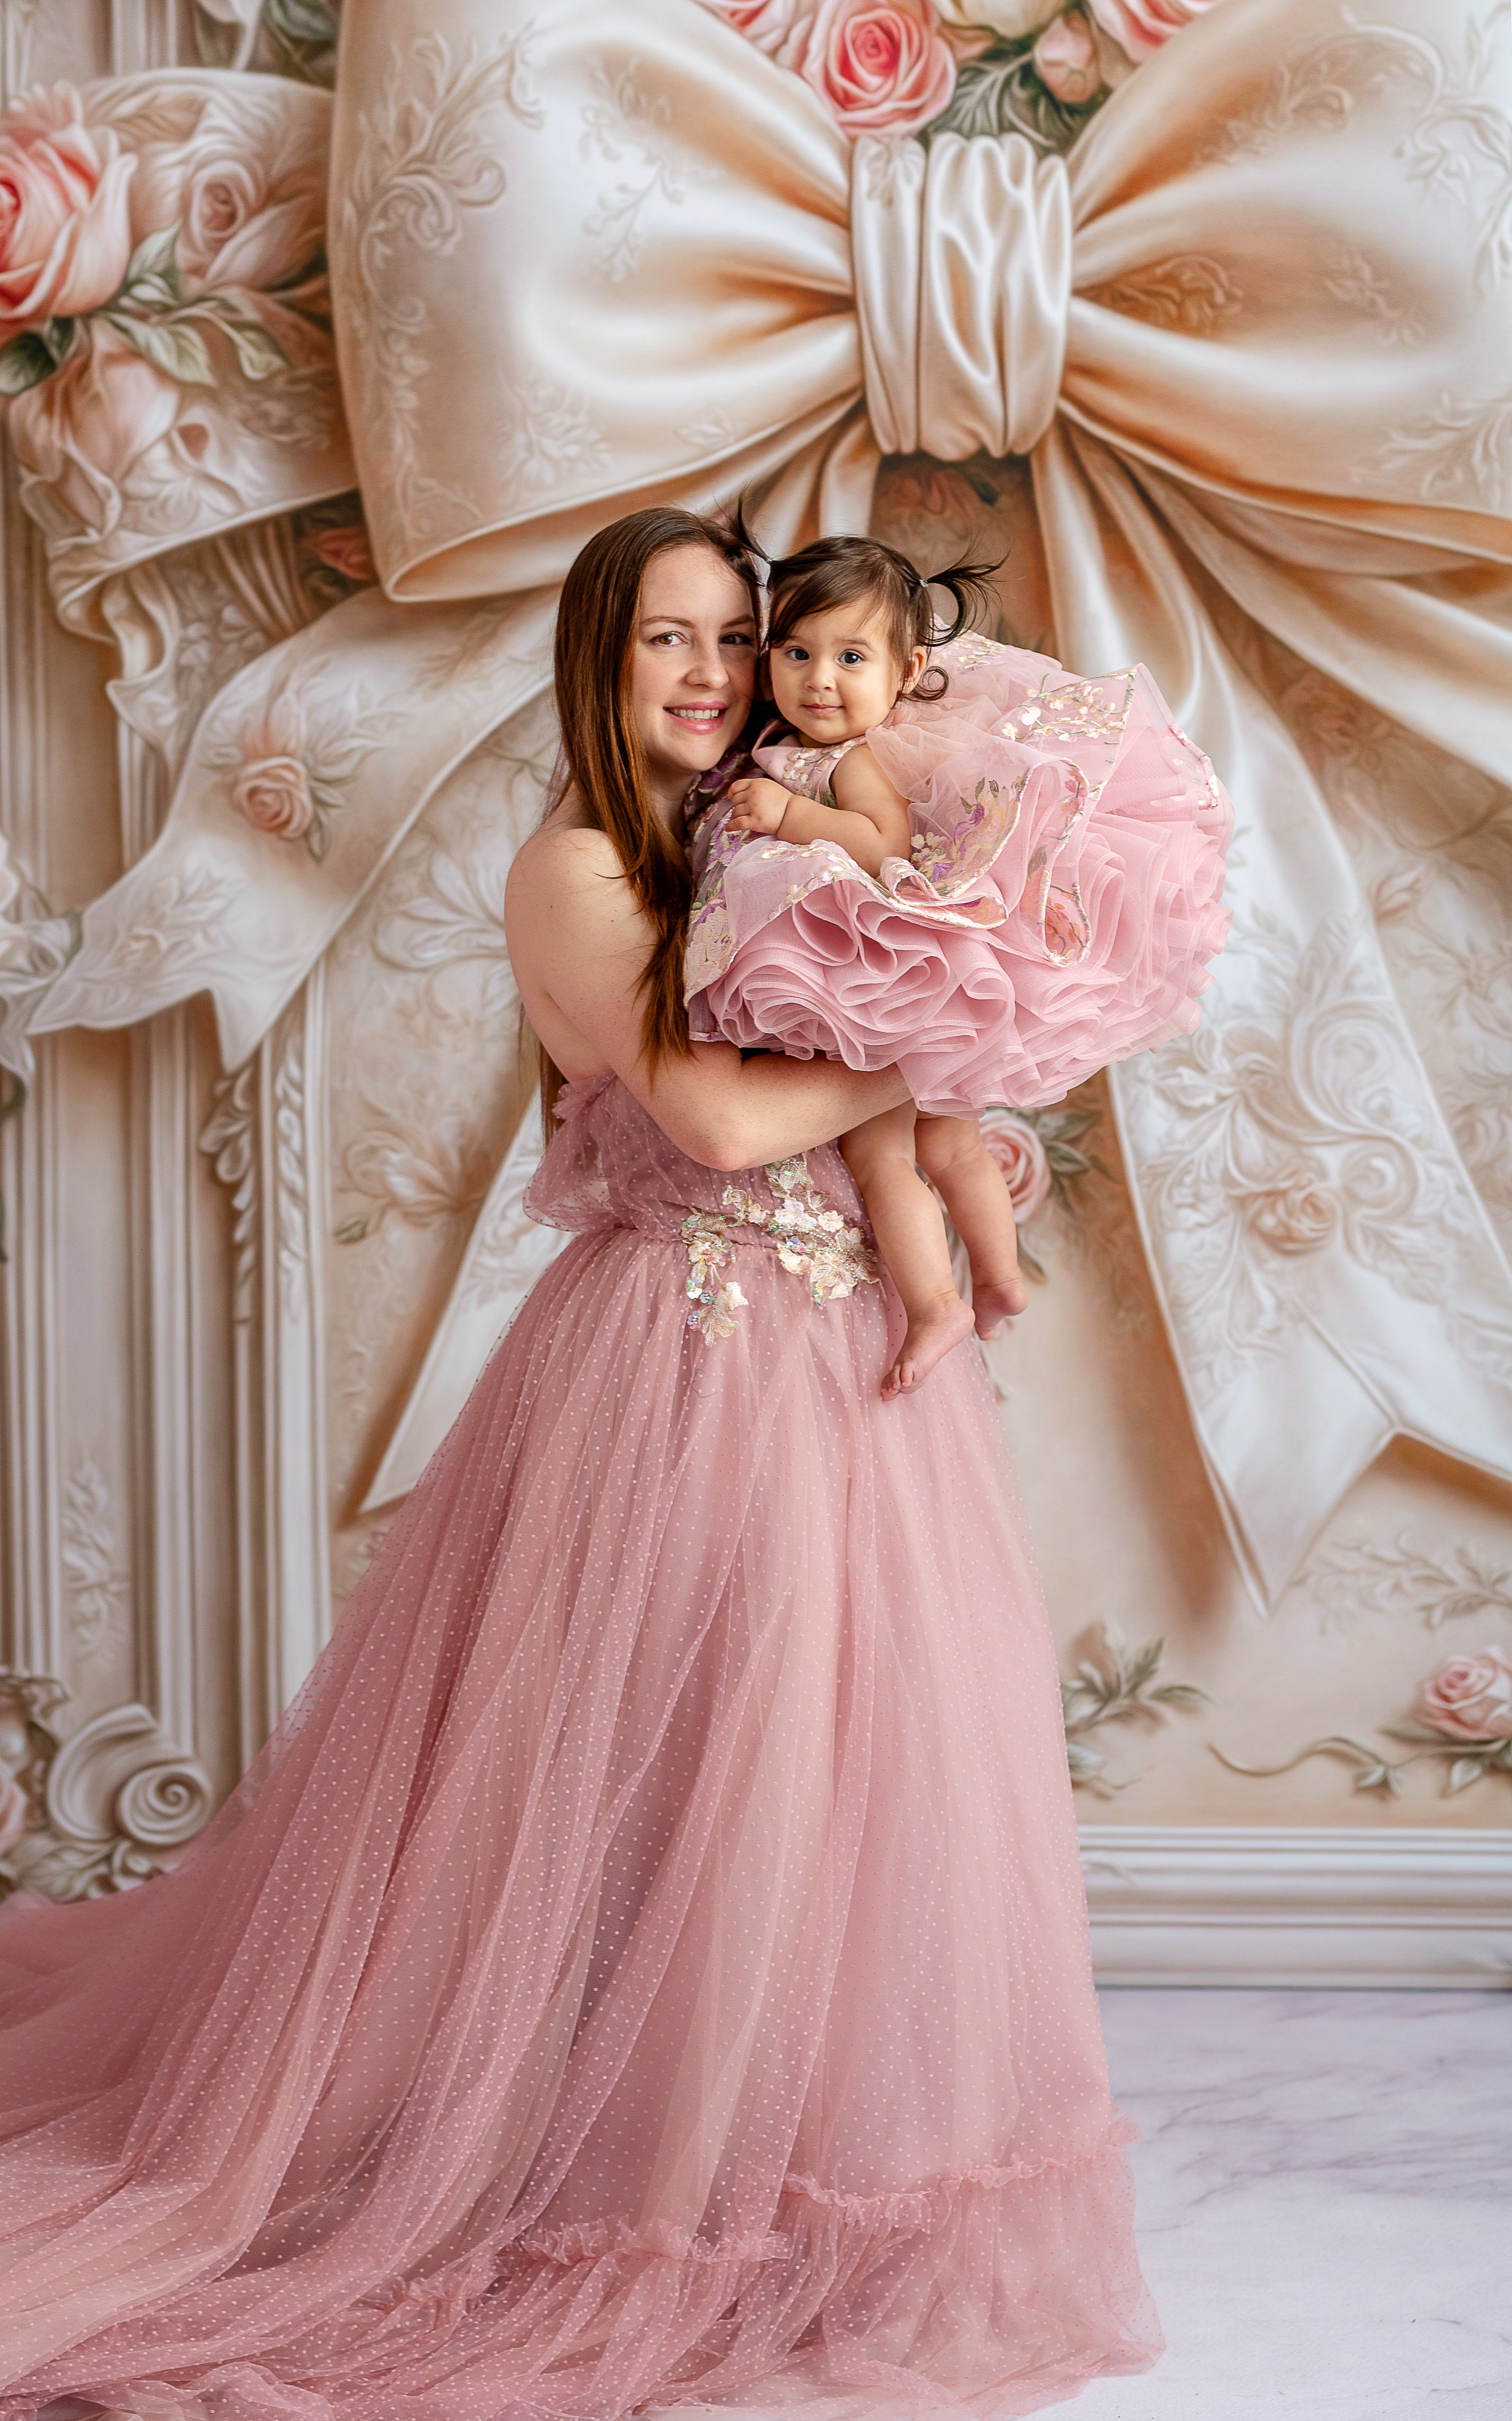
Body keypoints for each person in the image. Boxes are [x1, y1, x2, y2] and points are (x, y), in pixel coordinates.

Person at [0, 506, 1160, 2417]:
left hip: (844, 1356)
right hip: (684, 1361)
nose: (713, 677)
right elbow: (707, 1117)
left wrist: (949, 1024)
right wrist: (960, 1030)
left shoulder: (736, 843)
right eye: (669, 645)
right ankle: (618, 2179)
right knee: (689, 1756)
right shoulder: (570, 870)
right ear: (597, 662)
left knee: (843, 1771)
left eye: (736, 640)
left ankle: (791, 2178)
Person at [686, 533, 1233, 1396]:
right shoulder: (785, 742)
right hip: (901, 983)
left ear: (904, 673)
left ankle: (938, 1302)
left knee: (881, 1156)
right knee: (948, 1137)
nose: (818, 678)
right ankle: (999, 1272)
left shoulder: (851, 759)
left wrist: (789, 814)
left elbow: (880, 842)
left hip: (884, 979)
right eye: (795, 652)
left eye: (850, 656)